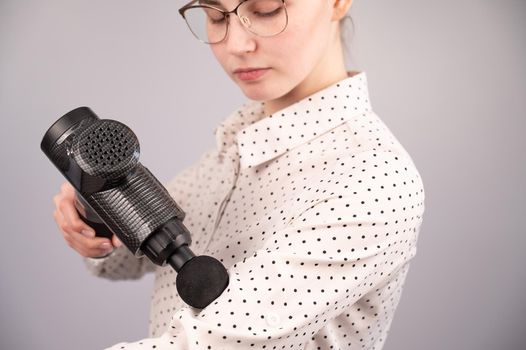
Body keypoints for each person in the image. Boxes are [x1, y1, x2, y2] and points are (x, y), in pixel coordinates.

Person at [52, 0, 426, 348]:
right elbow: (120, 261)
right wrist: (93, 208)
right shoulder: (234, 147)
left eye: (265, 9)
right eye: (215, 15)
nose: (236, 45)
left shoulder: (372, 179)